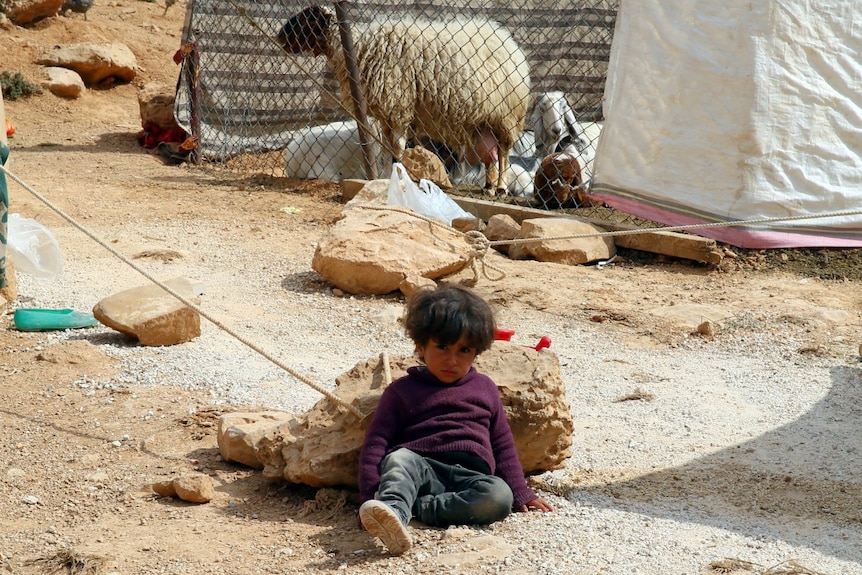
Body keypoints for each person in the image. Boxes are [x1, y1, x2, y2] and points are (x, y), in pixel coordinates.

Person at [357, 283, 553, 555]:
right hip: (420, 466)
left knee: (499, 497)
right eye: (442, 347)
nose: (452, 360)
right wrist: (368, 497)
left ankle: (418, 509)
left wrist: (522, 492)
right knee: (398, 460)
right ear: (420, 346)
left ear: (477, 351)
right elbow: (376, 444)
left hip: (470, 476)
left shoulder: (485, 388)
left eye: (464, 350)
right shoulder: (401, 391)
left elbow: (503, 445)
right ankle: (391, 513)